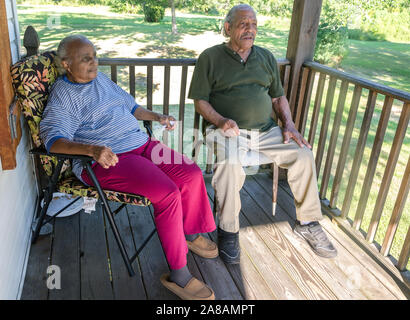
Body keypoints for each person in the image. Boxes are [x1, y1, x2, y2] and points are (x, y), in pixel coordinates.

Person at [40, 35, 217, 300]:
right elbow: (53, 141)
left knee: (190, 172)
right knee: (167, 193)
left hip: (141, 144)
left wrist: (157, 116)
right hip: (110, 159)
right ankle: (179, 275)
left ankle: (189, 232)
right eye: (86, 58)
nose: (94, 62)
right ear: (66, 64)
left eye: (95, 55)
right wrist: (93, 150)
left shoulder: (101, 80)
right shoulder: (64, 96)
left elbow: (131, 106)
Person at [188, 4, 337, 264]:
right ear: (228, 28)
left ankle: (309, 222)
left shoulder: (265, 57)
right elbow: (200, 102)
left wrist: (289, 125)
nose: (250, 29)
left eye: (254, 24)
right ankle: (228, 230)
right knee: (230, 164)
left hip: (266, 130)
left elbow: (278, 97)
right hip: (226, 131)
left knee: (302, 154)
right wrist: (221, 121)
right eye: (244, 23)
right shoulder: (210, 58)